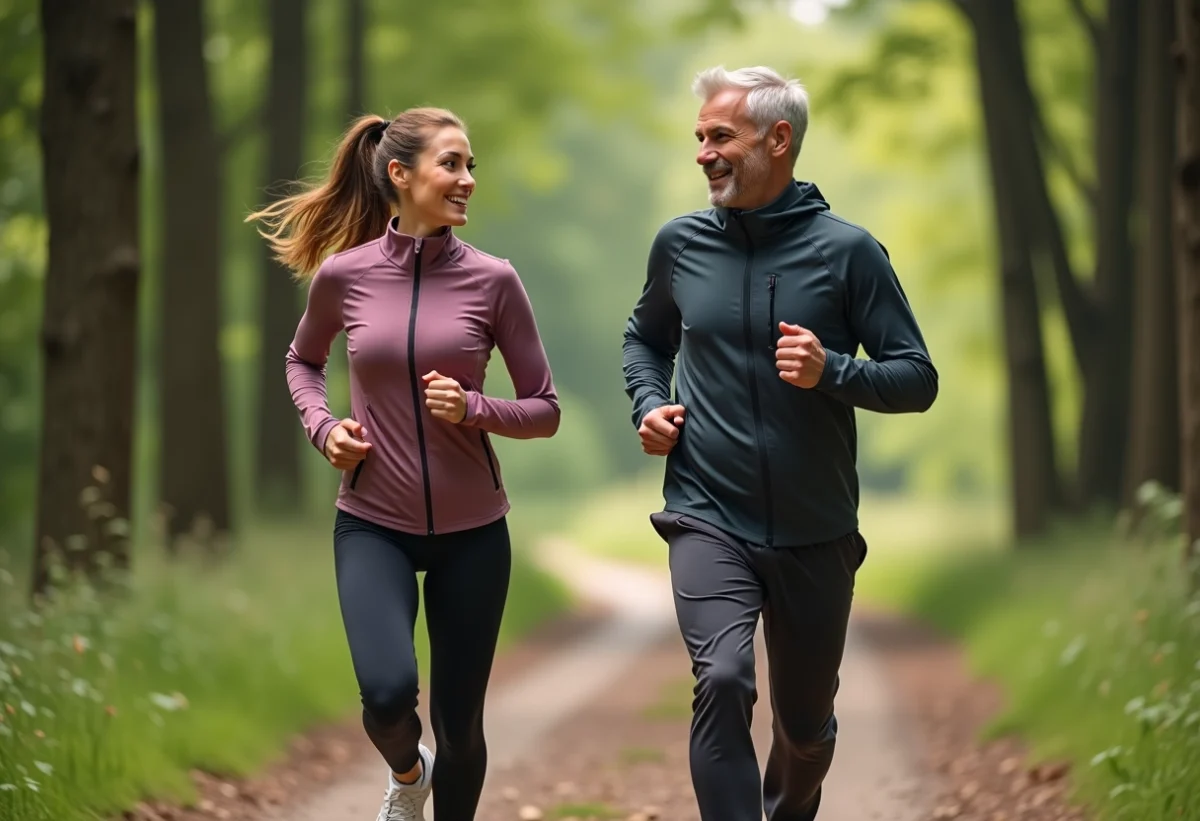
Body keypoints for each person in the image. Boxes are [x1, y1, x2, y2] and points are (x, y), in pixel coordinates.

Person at [622, 65, 938, 821]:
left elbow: (916, 378)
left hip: (814, 526)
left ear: (779, 138)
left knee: (803, 730)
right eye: (699, 137)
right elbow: (644, 338)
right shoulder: (681, 245)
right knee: (723, 677)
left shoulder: (849, 252)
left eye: (720, 136)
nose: (704, 152)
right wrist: (649, 402)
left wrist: (832, 369)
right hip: (707, 510)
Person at [246, 107, 560, 821]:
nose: (468, 180)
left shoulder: (494, 281)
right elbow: (302, 359)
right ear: (400, 173)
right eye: (452, 164)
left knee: (461, 724)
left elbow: (544, 407)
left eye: (470, 165)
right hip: (373, 523)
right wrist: (324, 427)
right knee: (387, 697)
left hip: (474, 531)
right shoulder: (345, 275)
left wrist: (476, 408)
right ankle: (408, 775)